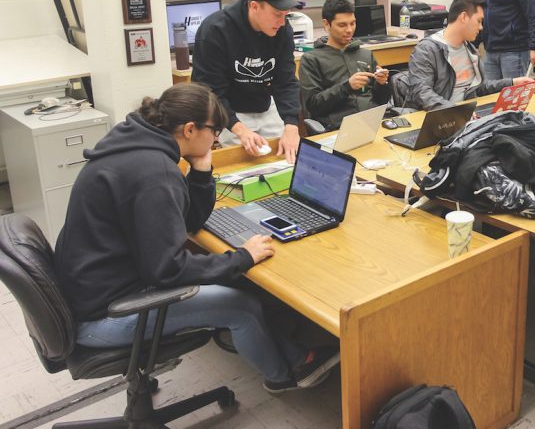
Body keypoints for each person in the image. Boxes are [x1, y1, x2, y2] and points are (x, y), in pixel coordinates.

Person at [53, 83, 339, 393]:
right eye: (215, 131)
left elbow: (185, 224)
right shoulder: (155, 174)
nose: (217, 140)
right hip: (105, 314)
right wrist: (241, 257)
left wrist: (201, 171)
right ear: (190, 129)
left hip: (95, 289)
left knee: (236, 277)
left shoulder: (133, 144)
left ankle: (292, 350)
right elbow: (167, 269)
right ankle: (284, 375)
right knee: (241, 304)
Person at [192, 0, 301, 163]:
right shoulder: (215, 30)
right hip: (231, 110)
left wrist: (292, 125)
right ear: (254, 6)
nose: (283, 23)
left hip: (266, 104)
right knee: (241, 166)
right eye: (277, 14)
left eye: (286, 15)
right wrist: (240, 129)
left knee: (283, 160)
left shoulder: (283, 29)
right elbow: (210, 93)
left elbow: (287, 81)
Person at [407, 0, 531, 111]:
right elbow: (422, 93)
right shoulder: (426, 50)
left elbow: (479, 88)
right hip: (444, 120)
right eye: (479, 21)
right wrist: (458, 112)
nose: (481, 27)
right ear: (464, 17)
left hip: (469, 114)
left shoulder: (470, 49)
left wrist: (512, 83)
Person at [299, 0, 390, 131]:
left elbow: (381, 100)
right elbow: (313, 106)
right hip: (338, 128)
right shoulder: (312, 59)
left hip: (372, 123)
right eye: (342, 25)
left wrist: (382, 84)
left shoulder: (365, 54)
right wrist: (346, 87)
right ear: (326, 24)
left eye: (352, 23)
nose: (349, 30)